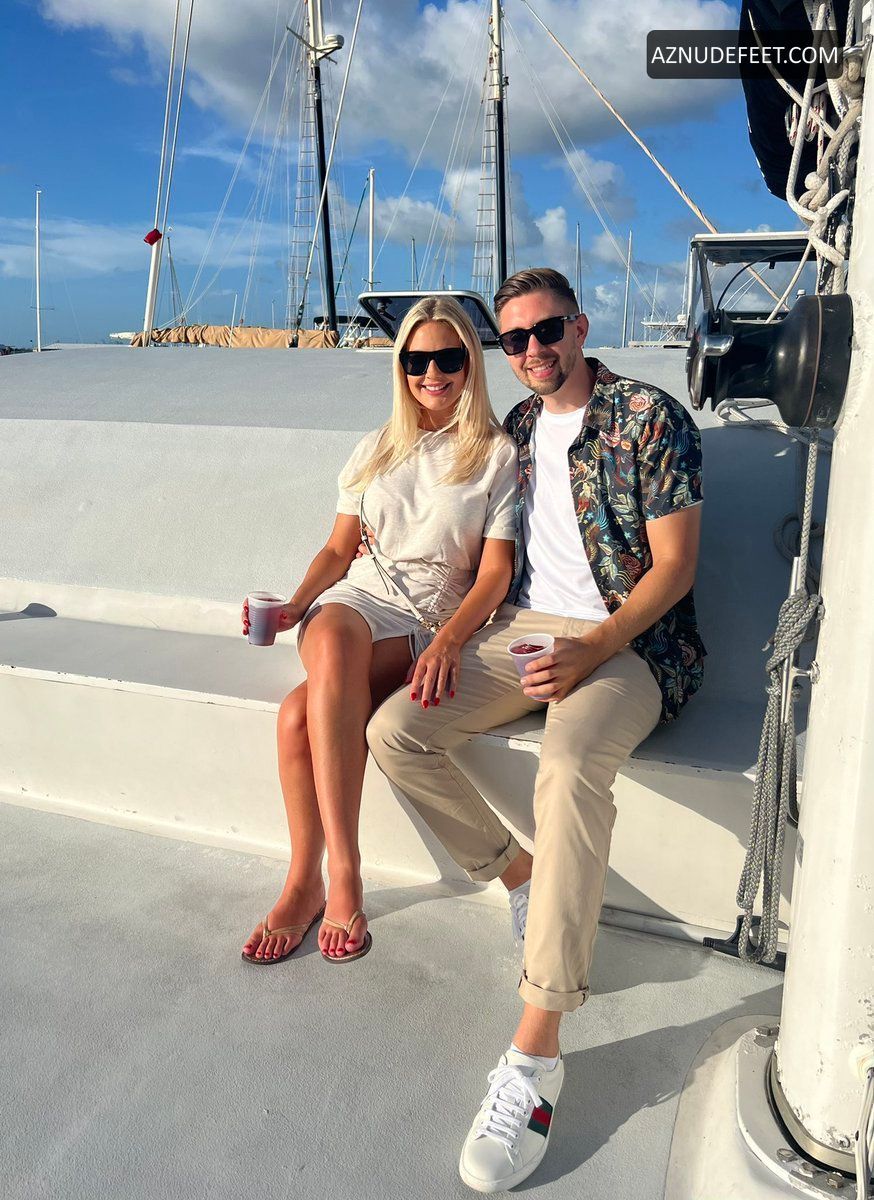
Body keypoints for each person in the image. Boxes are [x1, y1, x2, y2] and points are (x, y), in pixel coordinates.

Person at [366, 269, 704, 1191]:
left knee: (567, 764)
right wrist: (443, 631)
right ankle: (516, 874)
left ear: (579, 327)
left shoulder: (648, 417)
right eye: (513, 340)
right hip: (521, 632)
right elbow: (430, 493)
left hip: (628, 643)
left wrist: (593, 648)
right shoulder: (512, 428)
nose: (531, 351)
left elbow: (674, 568)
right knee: (396, 731)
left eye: (546, 331)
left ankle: (536, 1050)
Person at [241, 296, 518, 966]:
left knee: (296, 716)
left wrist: (450, 640)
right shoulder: (375, 448)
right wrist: (295, 606)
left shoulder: (495, 455)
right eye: (417, 361)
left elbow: (495, 574)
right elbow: (340, 550)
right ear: (401, 367)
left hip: (426, 619)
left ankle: (311, 879)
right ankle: (337, 873)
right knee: (335, 635)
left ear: (470, 364)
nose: (432, 373)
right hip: (355, 600)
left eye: (447, 358)